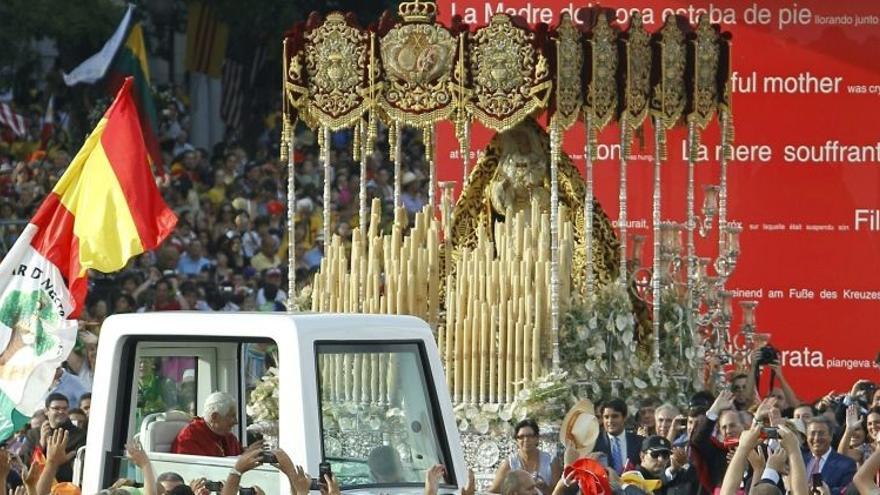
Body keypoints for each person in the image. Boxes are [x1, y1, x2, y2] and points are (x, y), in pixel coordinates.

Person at [490, 419, 561, 495]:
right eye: (521, 437)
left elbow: (559, 492)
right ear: (516, 441)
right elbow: (492, 492)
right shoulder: (508, 464)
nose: (526, 440)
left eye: (530, 436)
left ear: (537, 438)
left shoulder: (551, 462)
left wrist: (544, 488)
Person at [171, 392, 242, 457]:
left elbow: (241, 455)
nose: (236, 422)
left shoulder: (227, 436)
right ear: (214, 417)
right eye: (232, 416)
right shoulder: (189, 438)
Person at [40, 393, 87, 482]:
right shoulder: (34, 433)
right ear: (46, 411)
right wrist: (41, 444)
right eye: (56, 408)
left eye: (64, 408)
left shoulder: (80, 435)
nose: (61, 411)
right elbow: (28, 463)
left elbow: (78, 462)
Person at [804, 416, 857, 493]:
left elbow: (847, 491)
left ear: (831, 436)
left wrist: (826, 491)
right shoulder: (800, 460)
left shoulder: (847, 464)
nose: (816, 438)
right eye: (812, 433)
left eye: (821, 433)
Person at [592, 399, 644, 474]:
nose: (610, 421)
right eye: (606, 417)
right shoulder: (594, 444)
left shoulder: (639, 442)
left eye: (614, 416)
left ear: (624, 417)